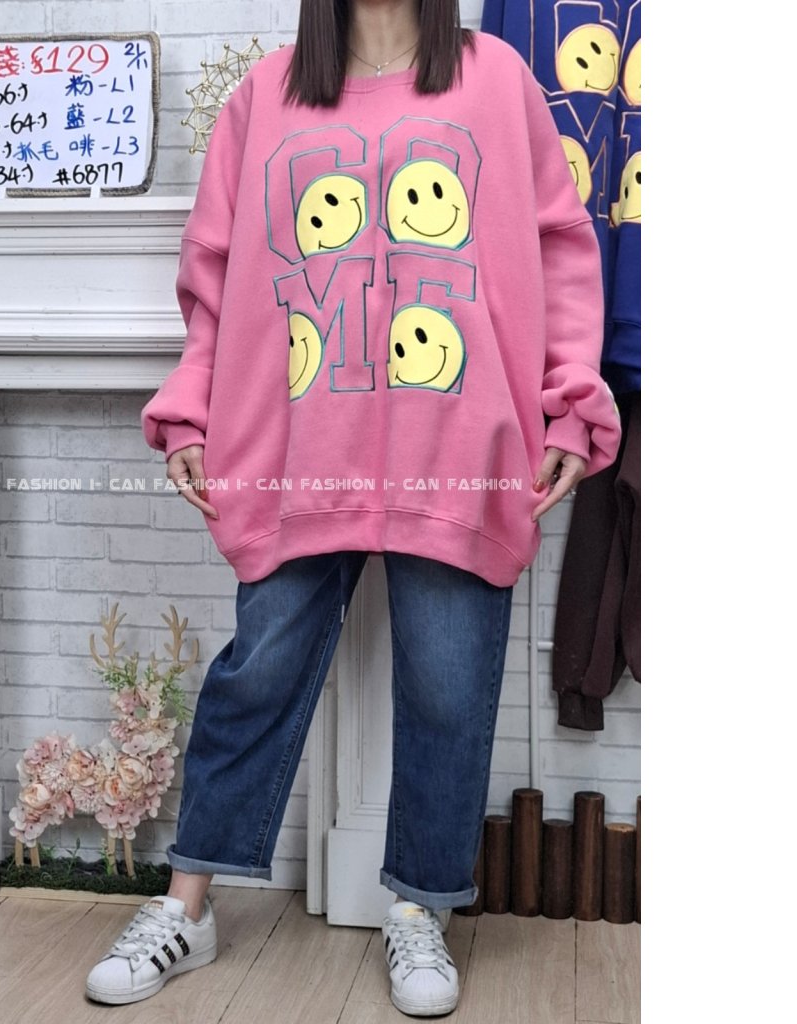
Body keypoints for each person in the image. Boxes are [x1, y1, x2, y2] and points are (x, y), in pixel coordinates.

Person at [86, 0, 621, 1016]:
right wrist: (191, 406)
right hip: (299, 445)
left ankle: (419, 908)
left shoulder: (497, 81)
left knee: (449, 685)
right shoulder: (265, 97)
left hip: (458, 442)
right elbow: (214, 275)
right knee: (259, 667)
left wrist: (568, 400)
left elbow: (559, 249)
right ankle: (186, 905)